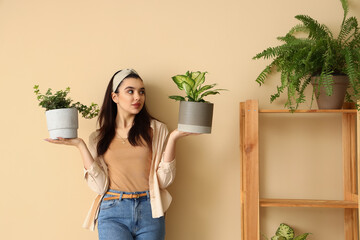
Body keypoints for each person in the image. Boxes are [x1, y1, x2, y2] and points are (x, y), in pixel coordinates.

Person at [45, 69, 195, 240]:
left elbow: (163, 181)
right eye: (130, 91)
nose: (137, 97)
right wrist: (80, 145)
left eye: (141, 92)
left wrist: (174, 138)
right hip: (112, 210)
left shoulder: (156, 130)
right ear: (114, 97)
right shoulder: (98, 138)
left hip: (150, 209)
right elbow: (100, 187)